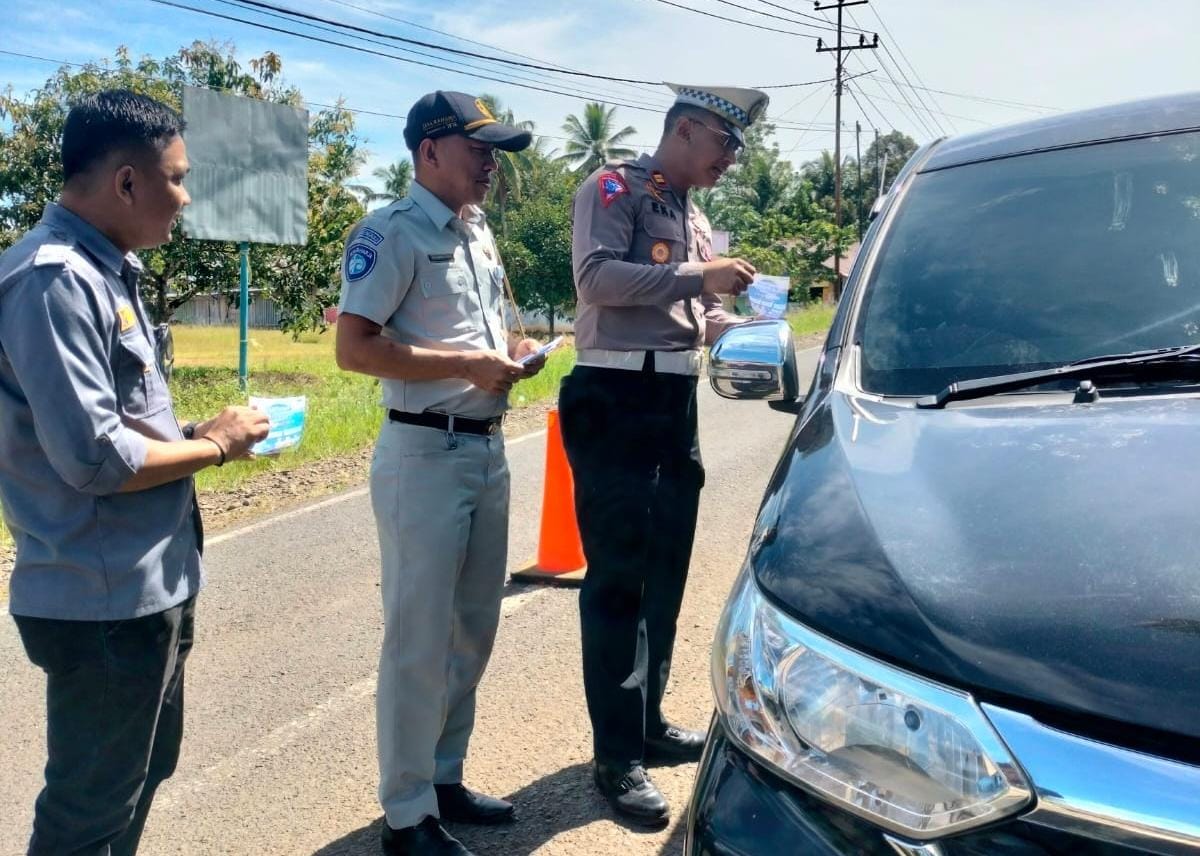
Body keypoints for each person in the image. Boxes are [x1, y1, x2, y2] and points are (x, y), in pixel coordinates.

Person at [0, 89, 270, 855]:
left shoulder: (105, 269)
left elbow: (115, 425)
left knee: (139, 776)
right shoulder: (52, 279)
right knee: (88, 809)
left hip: (147, 583)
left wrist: (193, 432)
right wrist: (214, 447)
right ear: (126, 181)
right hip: (102, 601)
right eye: (177, 179)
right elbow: (96, 459)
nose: (184, 199)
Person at [335, 91, 546, 856]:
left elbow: (484, 327)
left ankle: (443, 775)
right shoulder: (389, 233)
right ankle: (405, 814)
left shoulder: (476, 231)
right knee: (418, 638)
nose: (492, 164)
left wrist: (511, 356)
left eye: (496, 150)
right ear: (429, 151)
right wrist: (466, 364)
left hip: (485, 448)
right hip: (422, 453)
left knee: (472, 630)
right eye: (478, 148)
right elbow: (354, 348)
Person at [558, 83, 768, 826]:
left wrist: (733, 322)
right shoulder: (611, 187)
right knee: (618, 580)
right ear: (684, 129)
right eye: (724, 144)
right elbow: (597, 279)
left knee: (666, 571)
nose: (731, 160)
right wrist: (698, 277)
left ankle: (646, 722)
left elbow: (700, 311)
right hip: (614, 396)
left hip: (673, 400)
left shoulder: (695, 215)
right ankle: (616, 756)